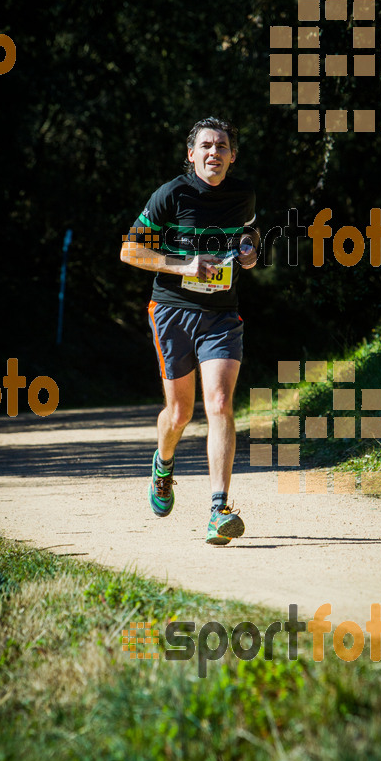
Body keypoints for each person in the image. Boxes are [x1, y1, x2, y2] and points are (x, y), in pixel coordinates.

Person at [120, 117, 259, 545]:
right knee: (179, 414)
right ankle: (163, 465)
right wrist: (184, 265)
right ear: (191, 154)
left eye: (222, 146)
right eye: (206, 146)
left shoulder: (243, 195)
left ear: (232, 156)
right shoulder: (171, 194)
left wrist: (250, 252)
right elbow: (129, 250)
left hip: (221, 315)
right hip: (172, 311)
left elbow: (249, 237)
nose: (214, 152)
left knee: (218, 402)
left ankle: (219, 510)